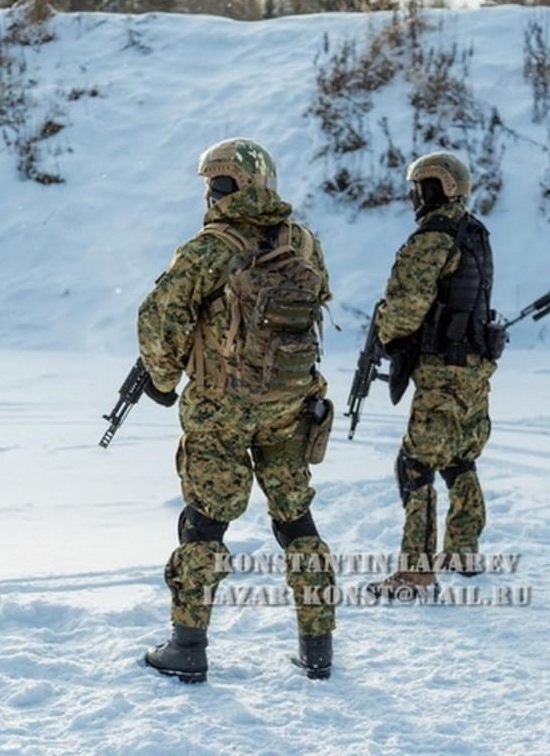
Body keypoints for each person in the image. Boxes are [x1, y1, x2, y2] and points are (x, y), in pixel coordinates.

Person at [136, 137, 336, 682]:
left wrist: (161, 379)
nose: (209, 192)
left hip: (219, 408)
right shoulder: (301, 240)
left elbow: (160, 320)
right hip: (289, 404)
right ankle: (318, 646)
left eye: (214, 182)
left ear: (232, 184)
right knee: (296, 520)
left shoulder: (208, 248)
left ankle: (188, 647)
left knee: (205, 523)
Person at [365, 152, 501, 600]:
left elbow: (404, 308)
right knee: (460, 456)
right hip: (474, 367)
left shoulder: (432, 238)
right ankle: (463, 549)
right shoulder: (475, 233)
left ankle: (415, 573)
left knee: (415, 465)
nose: (413, 197)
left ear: (434, 189)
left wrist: (385, 335)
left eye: (417, 187)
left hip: (444, 370)